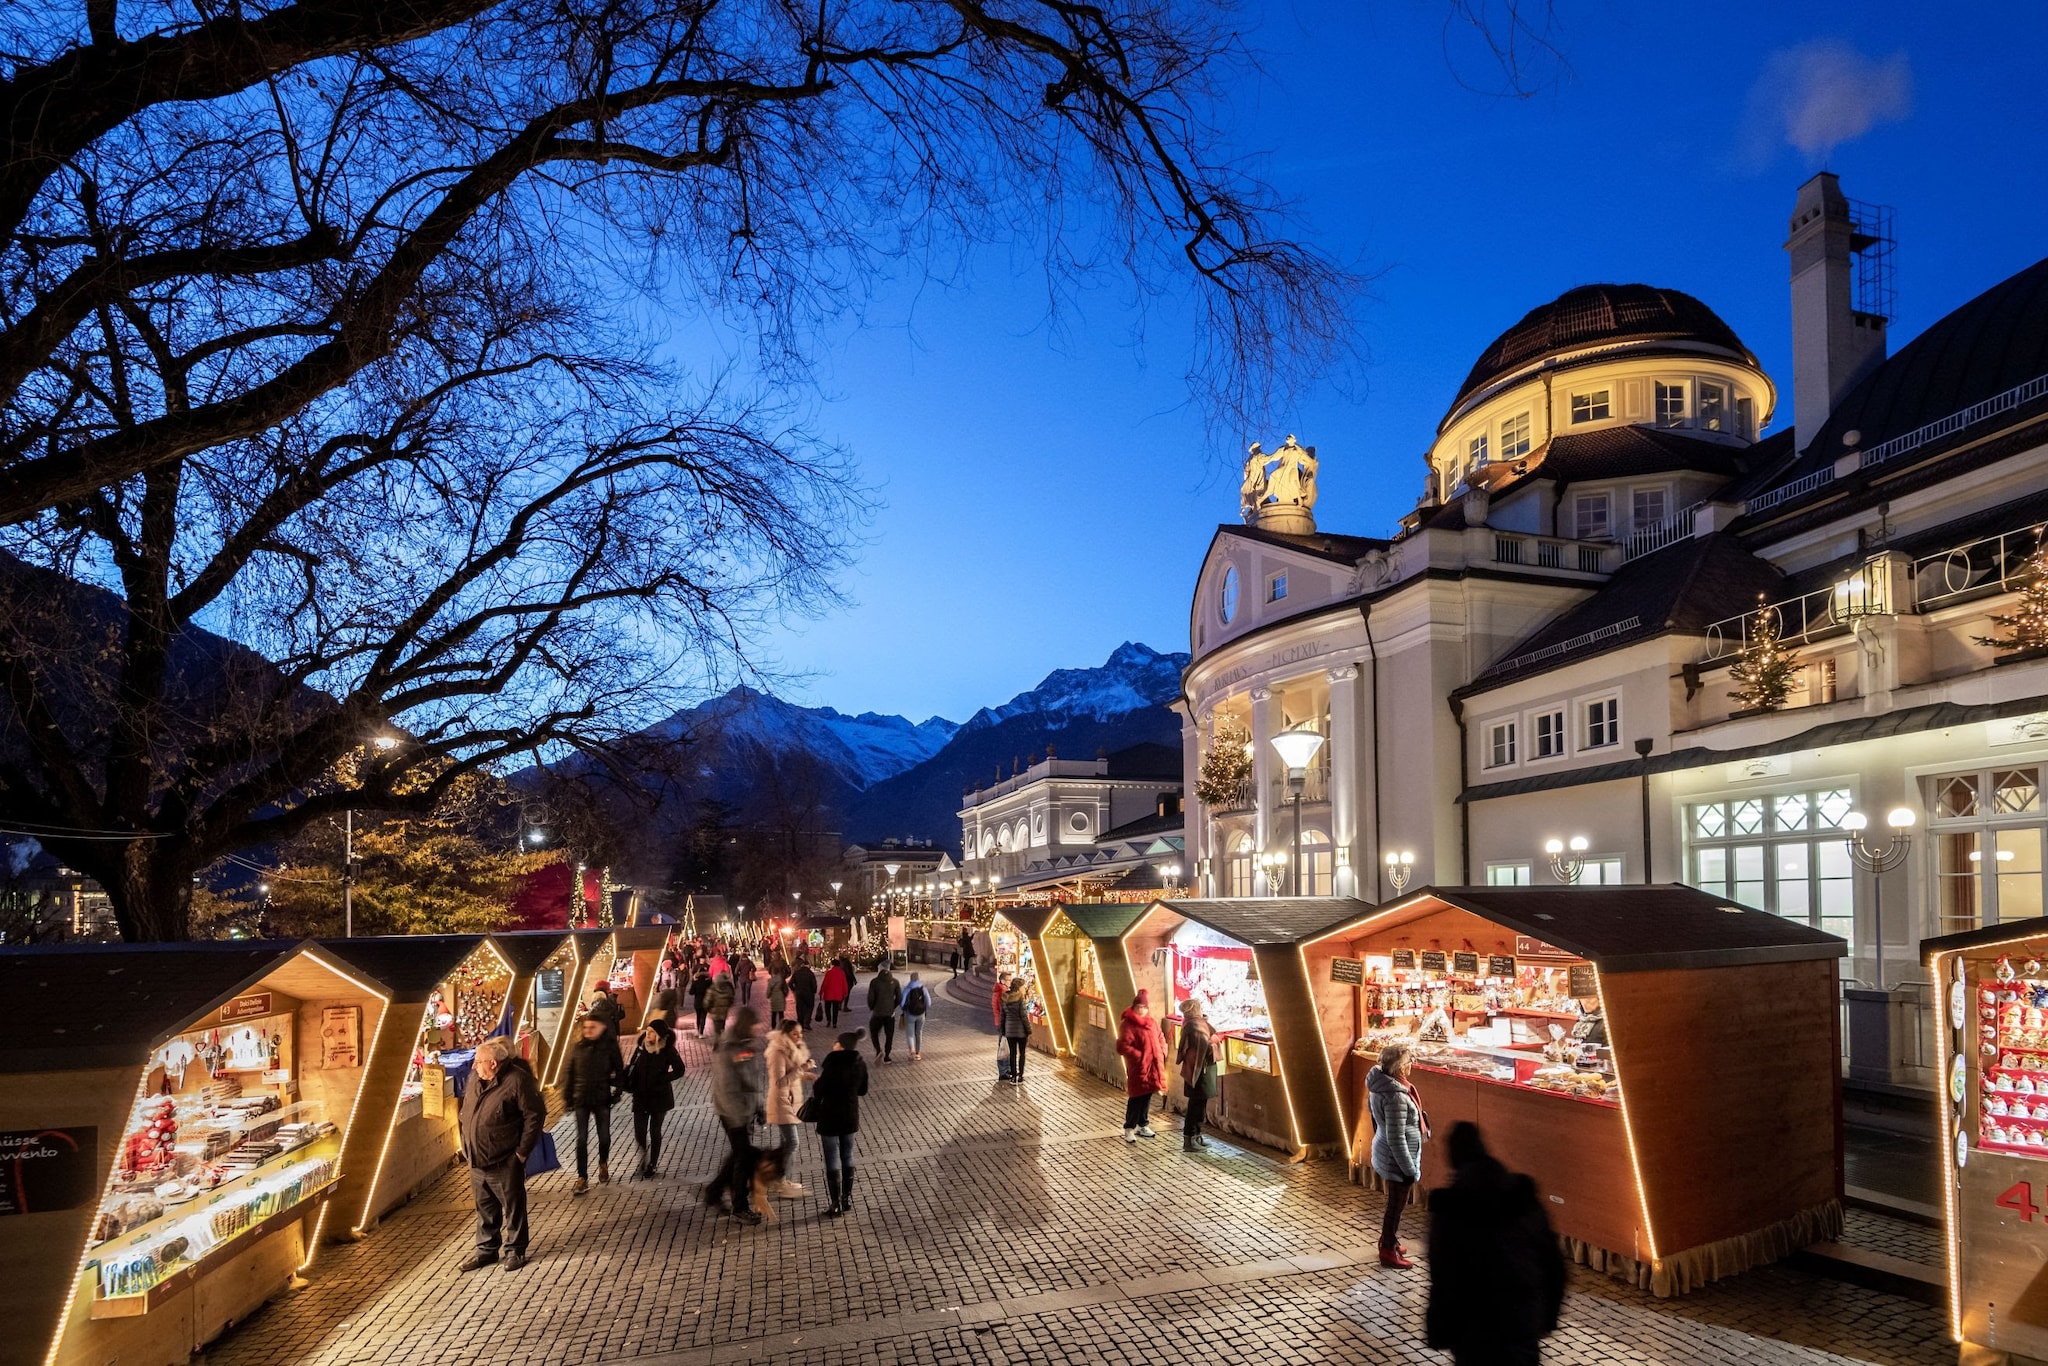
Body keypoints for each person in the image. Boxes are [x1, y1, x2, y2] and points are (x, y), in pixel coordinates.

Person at [1426, 1123, 1566, 1365]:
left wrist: (1439, 1329)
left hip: (1473, 1326)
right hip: (1521, 1318)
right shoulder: (1524, 1199)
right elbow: (1553, 1264)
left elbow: (1443, 1274)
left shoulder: (1450, 1210)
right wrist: (1548, 1316)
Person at [456, 1035, 545, 1273]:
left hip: (505, 1159)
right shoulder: (476, 1078)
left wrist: (521, 1153)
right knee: (484, 1208)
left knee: (512, 1207)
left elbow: (534, 1116)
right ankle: (486, 1250)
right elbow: (467, 1109)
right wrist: (465, 1143)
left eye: (479, 1061)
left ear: (493, 1063)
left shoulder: (518, 1081)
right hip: (477, 1159)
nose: (474, 1065)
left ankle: (515, 1250)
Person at [1368, 1041, 1429, 1269]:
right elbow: (1396, 1137)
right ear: (1401, 1067)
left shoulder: (1381, 1086)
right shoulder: (1396, 1096)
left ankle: (1389, 1240)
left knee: (1395, 1203)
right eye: (1409, 1062)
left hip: (1387, 1152)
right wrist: (1409, 1168)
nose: (1412, 1065)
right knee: (1396, 1206)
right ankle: (1387, 1250)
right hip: (1398, 1160)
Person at [704, 1006, 767, 1224]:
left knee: (739, 1155)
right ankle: (740, 1206)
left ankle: (713, 1192)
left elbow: (752, 1079)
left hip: (744, 1110)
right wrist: (738, 1117)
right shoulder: (728, 1048)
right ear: (745, 1025)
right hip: (732, 1112)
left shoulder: (745, 1044)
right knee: (745, 1157)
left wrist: (759, 1106)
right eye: (754, 1026)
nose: (757, 1030)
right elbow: (727, 1087)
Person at [811, 1028, 869, 1217]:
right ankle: (846, 1200)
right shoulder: (859, 1063)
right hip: (850, 1115)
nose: (833, 1044)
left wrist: (819, 1082)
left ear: (841, 1046)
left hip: (830, 1116)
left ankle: (835, 1203)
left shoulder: (832, 1064)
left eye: (836, 1042)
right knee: (848, 1155)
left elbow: (819, 1091)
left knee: (832, 1157)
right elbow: (862, 1090)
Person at [562, 1015, 624, 1194]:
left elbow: (619, 1069)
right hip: (581, 1098)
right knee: (581, 1139)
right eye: (585, 1027)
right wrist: (568, 1098)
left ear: (602, 1028)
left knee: (603, 1136)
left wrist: (617, 1091)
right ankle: (582, 1177)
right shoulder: (578, 1047)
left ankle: (603, 1162)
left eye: (592, 1027)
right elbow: (569, 1072)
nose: (587, 1030)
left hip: (601, 1098)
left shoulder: (610, 1047)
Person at [621, 1018, 685, 1178]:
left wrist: (663, 1078)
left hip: (659, 1097)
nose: (647, 1034)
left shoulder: (667, 1050)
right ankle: (643, 1158)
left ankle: (652, 1164)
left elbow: (680, 1069)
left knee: (655, 1131)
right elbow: (632, 1066)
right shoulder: (641, 1048)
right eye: (647, 1030)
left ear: (659, 1035)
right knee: (639, 1132)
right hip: (640, 1095)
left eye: (651, 1032)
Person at [764, 1019, 817, 1196]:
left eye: (800, 1033)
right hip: (781, 1102)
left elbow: (790, 1075)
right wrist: (802, 1069)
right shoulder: (777, 1053)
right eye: (795, 1034)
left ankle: (780, 1179)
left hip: (790, 1101)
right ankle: (780, 1181)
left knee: (785, 1143)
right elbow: (779, 1082)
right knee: (792, 1142)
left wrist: (805, 1075)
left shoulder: (790, 1050)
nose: (799, 1037)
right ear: (785, 1034)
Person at [1116, 989, 1166, 1143]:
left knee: (1147, 1095)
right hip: (1138, 1068)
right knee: (1136, 1097)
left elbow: (1160, 1037)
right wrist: (1140, 1057)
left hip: (1153, 1067)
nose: (1142, 1010)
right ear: (1134, 1007)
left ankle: (1143, 1124)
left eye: (1144, 1007)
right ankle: (1129, 1127)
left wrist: (1162, 1052)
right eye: (1139, 1007)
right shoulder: (1128, 1024)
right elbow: (1123, 1046)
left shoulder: (1152, 1022)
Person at [1176, 997, 1218, 1152]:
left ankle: (1197, 1135)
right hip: (1199, 1070)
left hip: (1198, 1069)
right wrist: (1215, 1043)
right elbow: (1206, 1046)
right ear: (1196, 1009)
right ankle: (1190, 1138)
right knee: (1196, 1104)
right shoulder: (1195, 1026)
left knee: (1200, 1103)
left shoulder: (1192, 1023)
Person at [866, 963, 902, 1063]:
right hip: (890, 1014)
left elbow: (871, 998)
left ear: (880, 970)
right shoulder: (895, 982)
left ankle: (878, 1050)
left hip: (877, 1013)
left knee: (874, 1032)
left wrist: (872, 1007)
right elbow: (899, 998)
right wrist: (892, 1007)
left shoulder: (874, 982)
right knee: (889, 1034)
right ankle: (887, 1056)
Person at [999, 975, 1032, 1084]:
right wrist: (1028, 1030)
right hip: (1021, 1031)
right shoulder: (1020, 998)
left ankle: (1013, 1077)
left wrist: (1003, 1030)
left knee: (1012, 1053)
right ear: (1018, 987)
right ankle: (1020, 1076)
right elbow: (1023, 1016)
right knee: (1022, 1053)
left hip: (1009, 1031)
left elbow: (1002, 1016)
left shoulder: (1005, 998)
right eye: (1023, 986)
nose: (1024, 988)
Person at [900, 972, 931, 1059]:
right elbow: (929, 1003)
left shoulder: (907, 989)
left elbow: (902, 1003)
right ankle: (917, 1054)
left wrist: (905, 1009)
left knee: (910, 1034)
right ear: (918, 978)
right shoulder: (923, 989)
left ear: (911, 979)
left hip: (909, 1014)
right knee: (919, 1033)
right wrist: (924, 1008)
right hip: (921, 1014)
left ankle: (912, 1049)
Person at [819, 955, 850, 1028]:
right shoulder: (841, 973)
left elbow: (825, 983)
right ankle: (834, 1023)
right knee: (835, 1010)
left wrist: (821, 992)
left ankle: (829, 1020)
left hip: (828, 994)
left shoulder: (829, 973)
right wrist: (845, 993)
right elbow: (844, 983)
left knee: (827, 1008)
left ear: (832, 964)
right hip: (837, 995)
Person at [708, 969, 737, 1039]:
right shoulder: (728, 987)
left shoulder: (713, 987)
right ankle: (720, 1040)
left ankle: (717, 1042)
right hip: (724, 1012)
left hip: (715, 1012)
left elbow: (707, 1000)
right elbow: (731, 999)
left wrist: (709, 1009)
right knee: (722, 1027)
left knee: (717, 1029)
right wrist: (727, 1006)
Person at [791, 959, 819, 1029]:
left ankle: (800, 1023)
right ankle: (806, 1022)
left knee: (800, 1008)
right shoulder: (810, 973)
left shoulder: (797, 973)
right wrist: (814, 991)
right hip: (809, 993)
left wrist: (794, 990)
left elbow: (790, 983)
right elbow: (814, 984)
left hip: (799, 993)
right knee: (809, 1007)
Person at [688, 964, 713, 1035]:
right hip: (706, 1001)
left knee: (698, 1016)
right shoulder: (709, 982)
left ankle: (698, 1030)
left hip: (697, 1001)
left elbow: (691, 992)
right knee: (703, 1017)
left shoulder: (695, 982)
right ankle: (701, 1032)